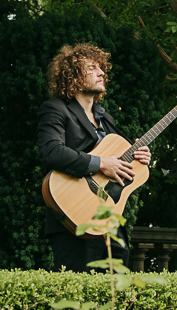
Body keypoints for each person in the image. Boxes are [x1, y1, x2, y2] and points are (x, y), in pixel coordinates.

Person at [37, 42, 150, 273]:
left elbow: (118, 159)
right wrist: (100, 164)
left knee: (115, 294)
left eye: (102, 68)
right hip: (73, 215)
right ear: (73, 76)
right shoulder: (56, 109)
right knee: (77, 298)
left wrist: (140, 156)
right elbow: (51, 151)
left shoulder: (105, 118)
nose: (102, 73)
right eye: (92, 68)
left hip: (109, 217)